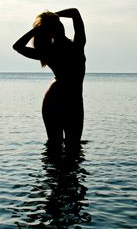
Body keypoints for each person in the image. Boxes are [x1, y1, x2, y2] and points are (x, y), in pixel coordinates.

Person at [13, 8, 86, 147]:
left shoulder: (77, 44)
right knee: (55, 146)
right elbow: (17, 46)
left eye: (59, 23)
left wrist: (51, 17)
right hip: (55, 102)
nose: (59, 25)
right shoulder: (48, 51)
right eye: (56, 25)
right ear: (50, 31)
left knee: (74, 147)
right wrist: (39, 28)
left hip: (74, 101)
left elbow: (75, 12)